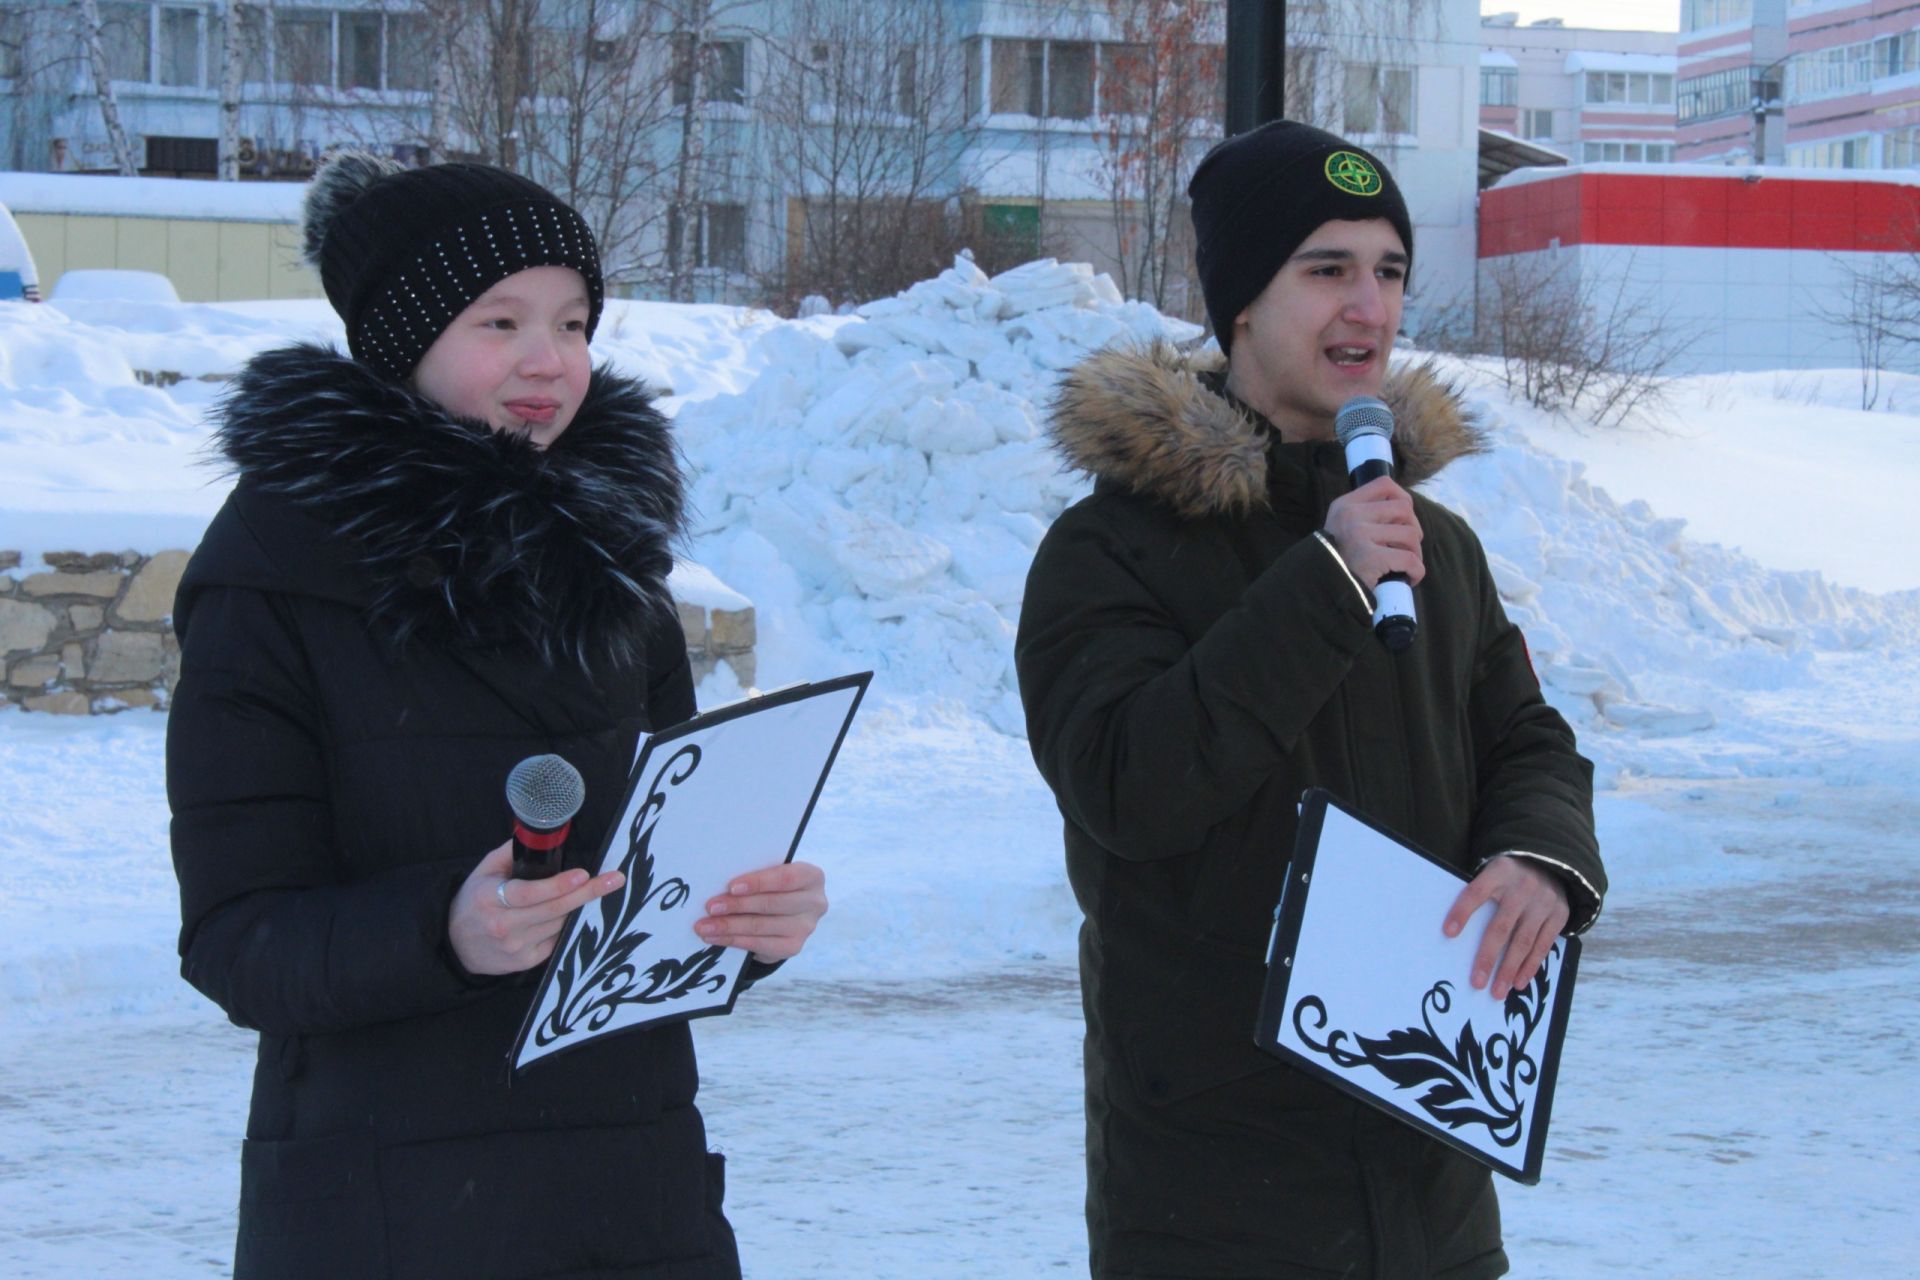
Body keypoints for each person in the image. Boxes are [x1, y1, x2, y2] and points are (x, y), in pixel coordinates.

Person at [167, 154, 827, 1280]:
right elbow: (237, 938)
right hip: (385, 1208)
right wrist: (444, 929)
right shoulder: (273, 576)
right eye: (501, 319)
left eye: (573, 321)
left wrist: (739, 921)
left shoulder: (614, 564)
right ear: (400, 342)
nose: (548, 359)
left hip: (633, 1192)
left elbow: (646, 874)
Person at [1014, 120, 1607, 1278]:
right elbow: (1128, 786)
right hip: (1218, 1204)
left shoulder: (1437, 546)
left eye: (1389, 272)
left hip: (1433, 1191)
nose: (1369, 308)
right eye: (1326, 269)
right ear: (1240, 302)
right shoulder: (1111, 549)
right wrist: (1327, 584)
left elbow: (1528, 738)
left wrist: (1543, 855)